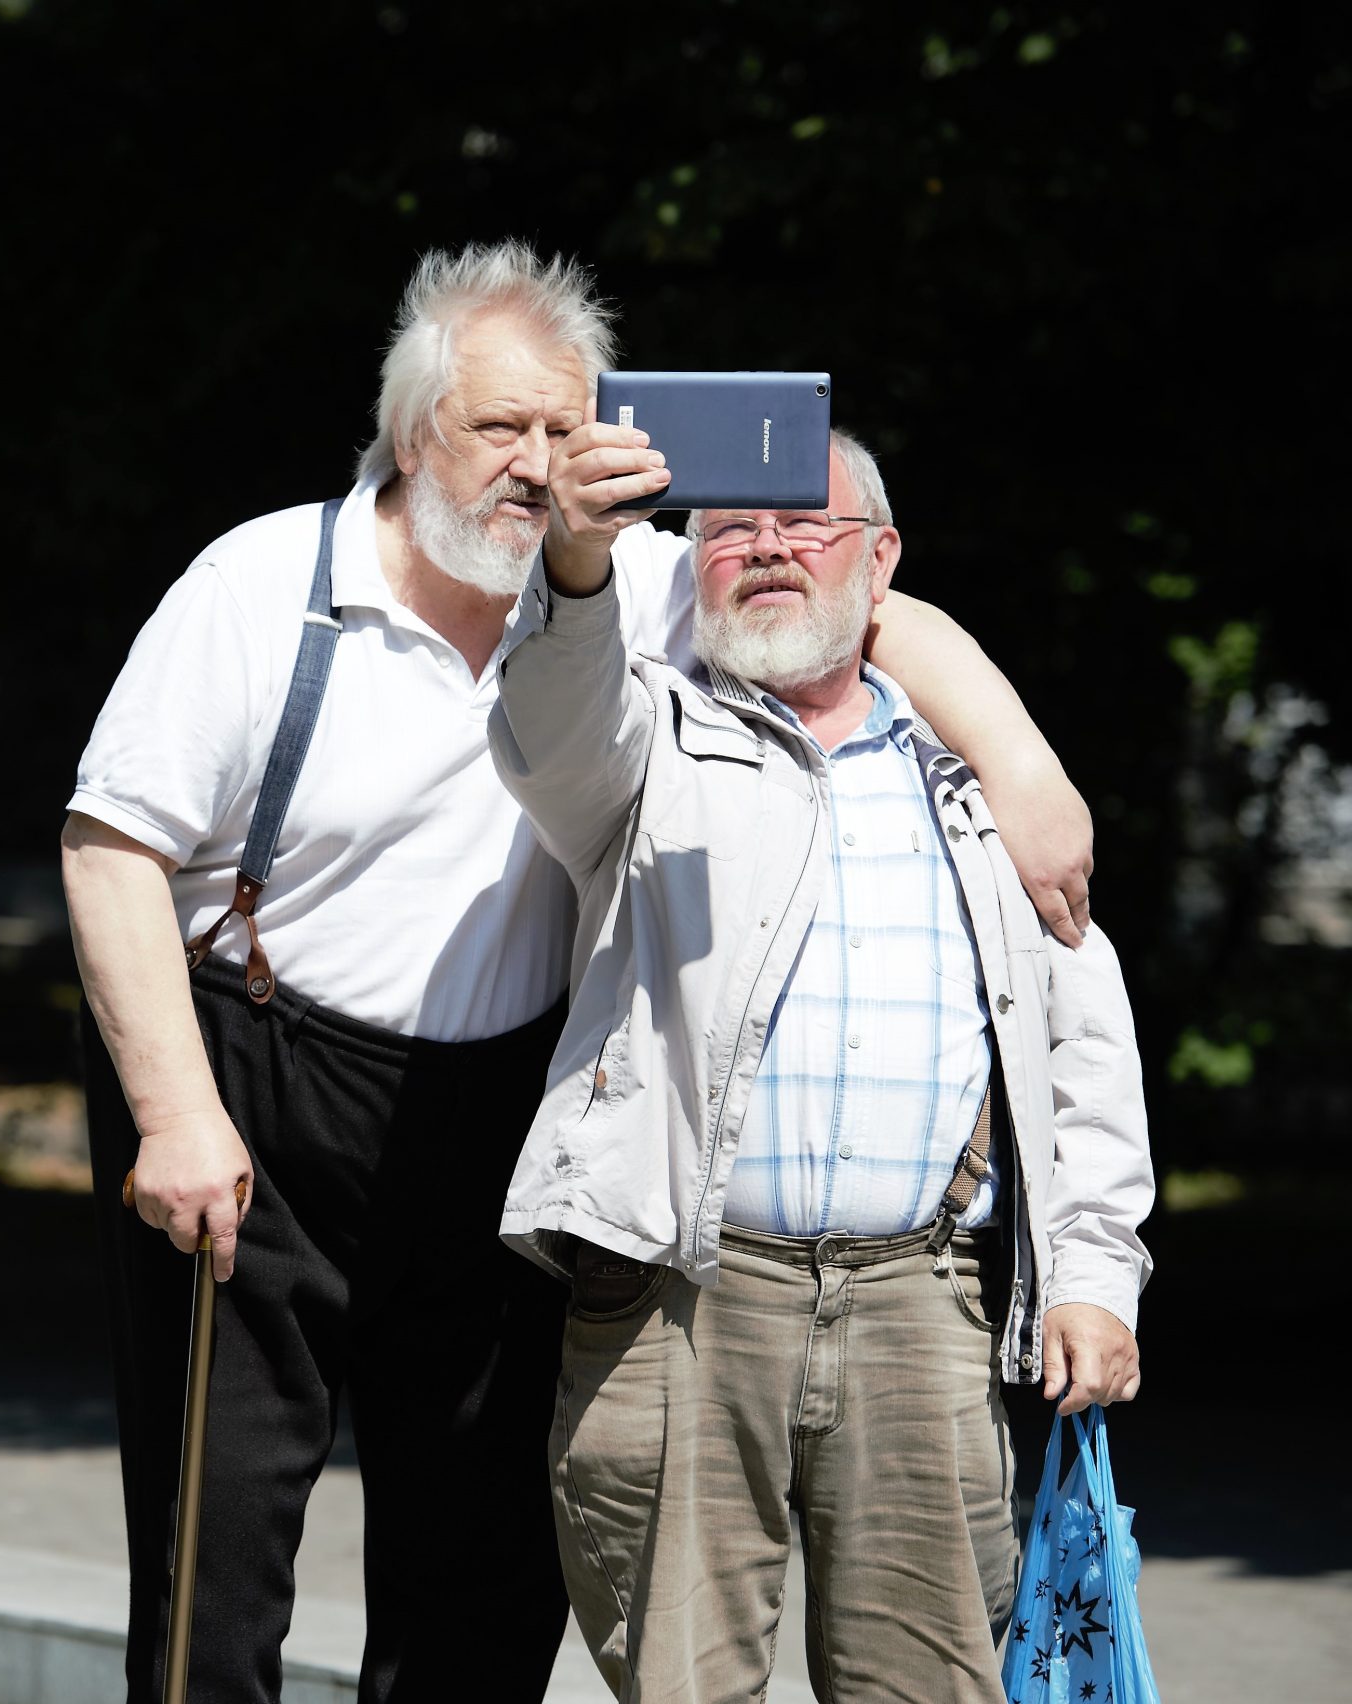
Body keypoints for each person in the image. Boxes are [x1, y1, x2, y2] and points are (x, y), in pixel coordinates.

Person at [60, 241, 1095, 1704]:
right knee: (216, 1569)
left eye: (568, 429)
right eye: (503, 428)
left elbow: (879, 605)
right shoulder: (261, 583)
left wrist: (1027, 768)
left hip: (498, 1115)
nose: (539, 464)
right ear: (418, 435)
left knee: (482, 1571)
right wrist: (173, 1113)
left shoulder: (650, 580)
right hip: (257, 1085)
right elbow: (108, 852)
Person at [488, 418, 1156, 1703]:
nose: (769, 546)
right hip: (684, 1297)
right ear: (689, 567)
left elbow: (1084, 1051)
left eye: (807, 523)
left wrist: (1093, 1276)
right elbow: (551, 720)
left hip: (926, 1301)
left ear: (882, 558)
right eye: (732, 526)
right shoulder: (645, 744)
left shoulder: (980, 785)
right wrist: (575, 557)